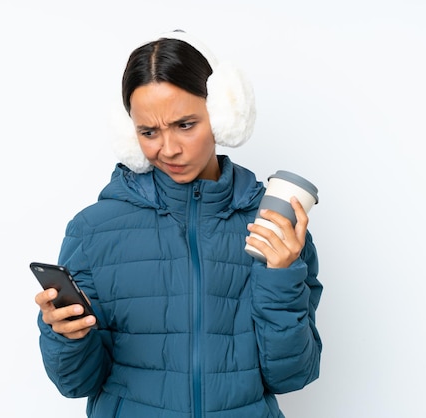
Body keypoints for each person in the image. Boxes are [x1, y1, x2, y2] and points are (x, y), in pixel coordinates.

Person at [35, 29, 323, 418]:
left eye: (185, 124)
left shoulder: (275, 228)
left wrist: (282, 277)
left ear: (223, 116)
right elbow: (77, 383)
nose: (167, 149)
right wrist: (66, 336)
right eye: (148, 132)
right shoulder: (93, 231)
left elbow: (292, 375)